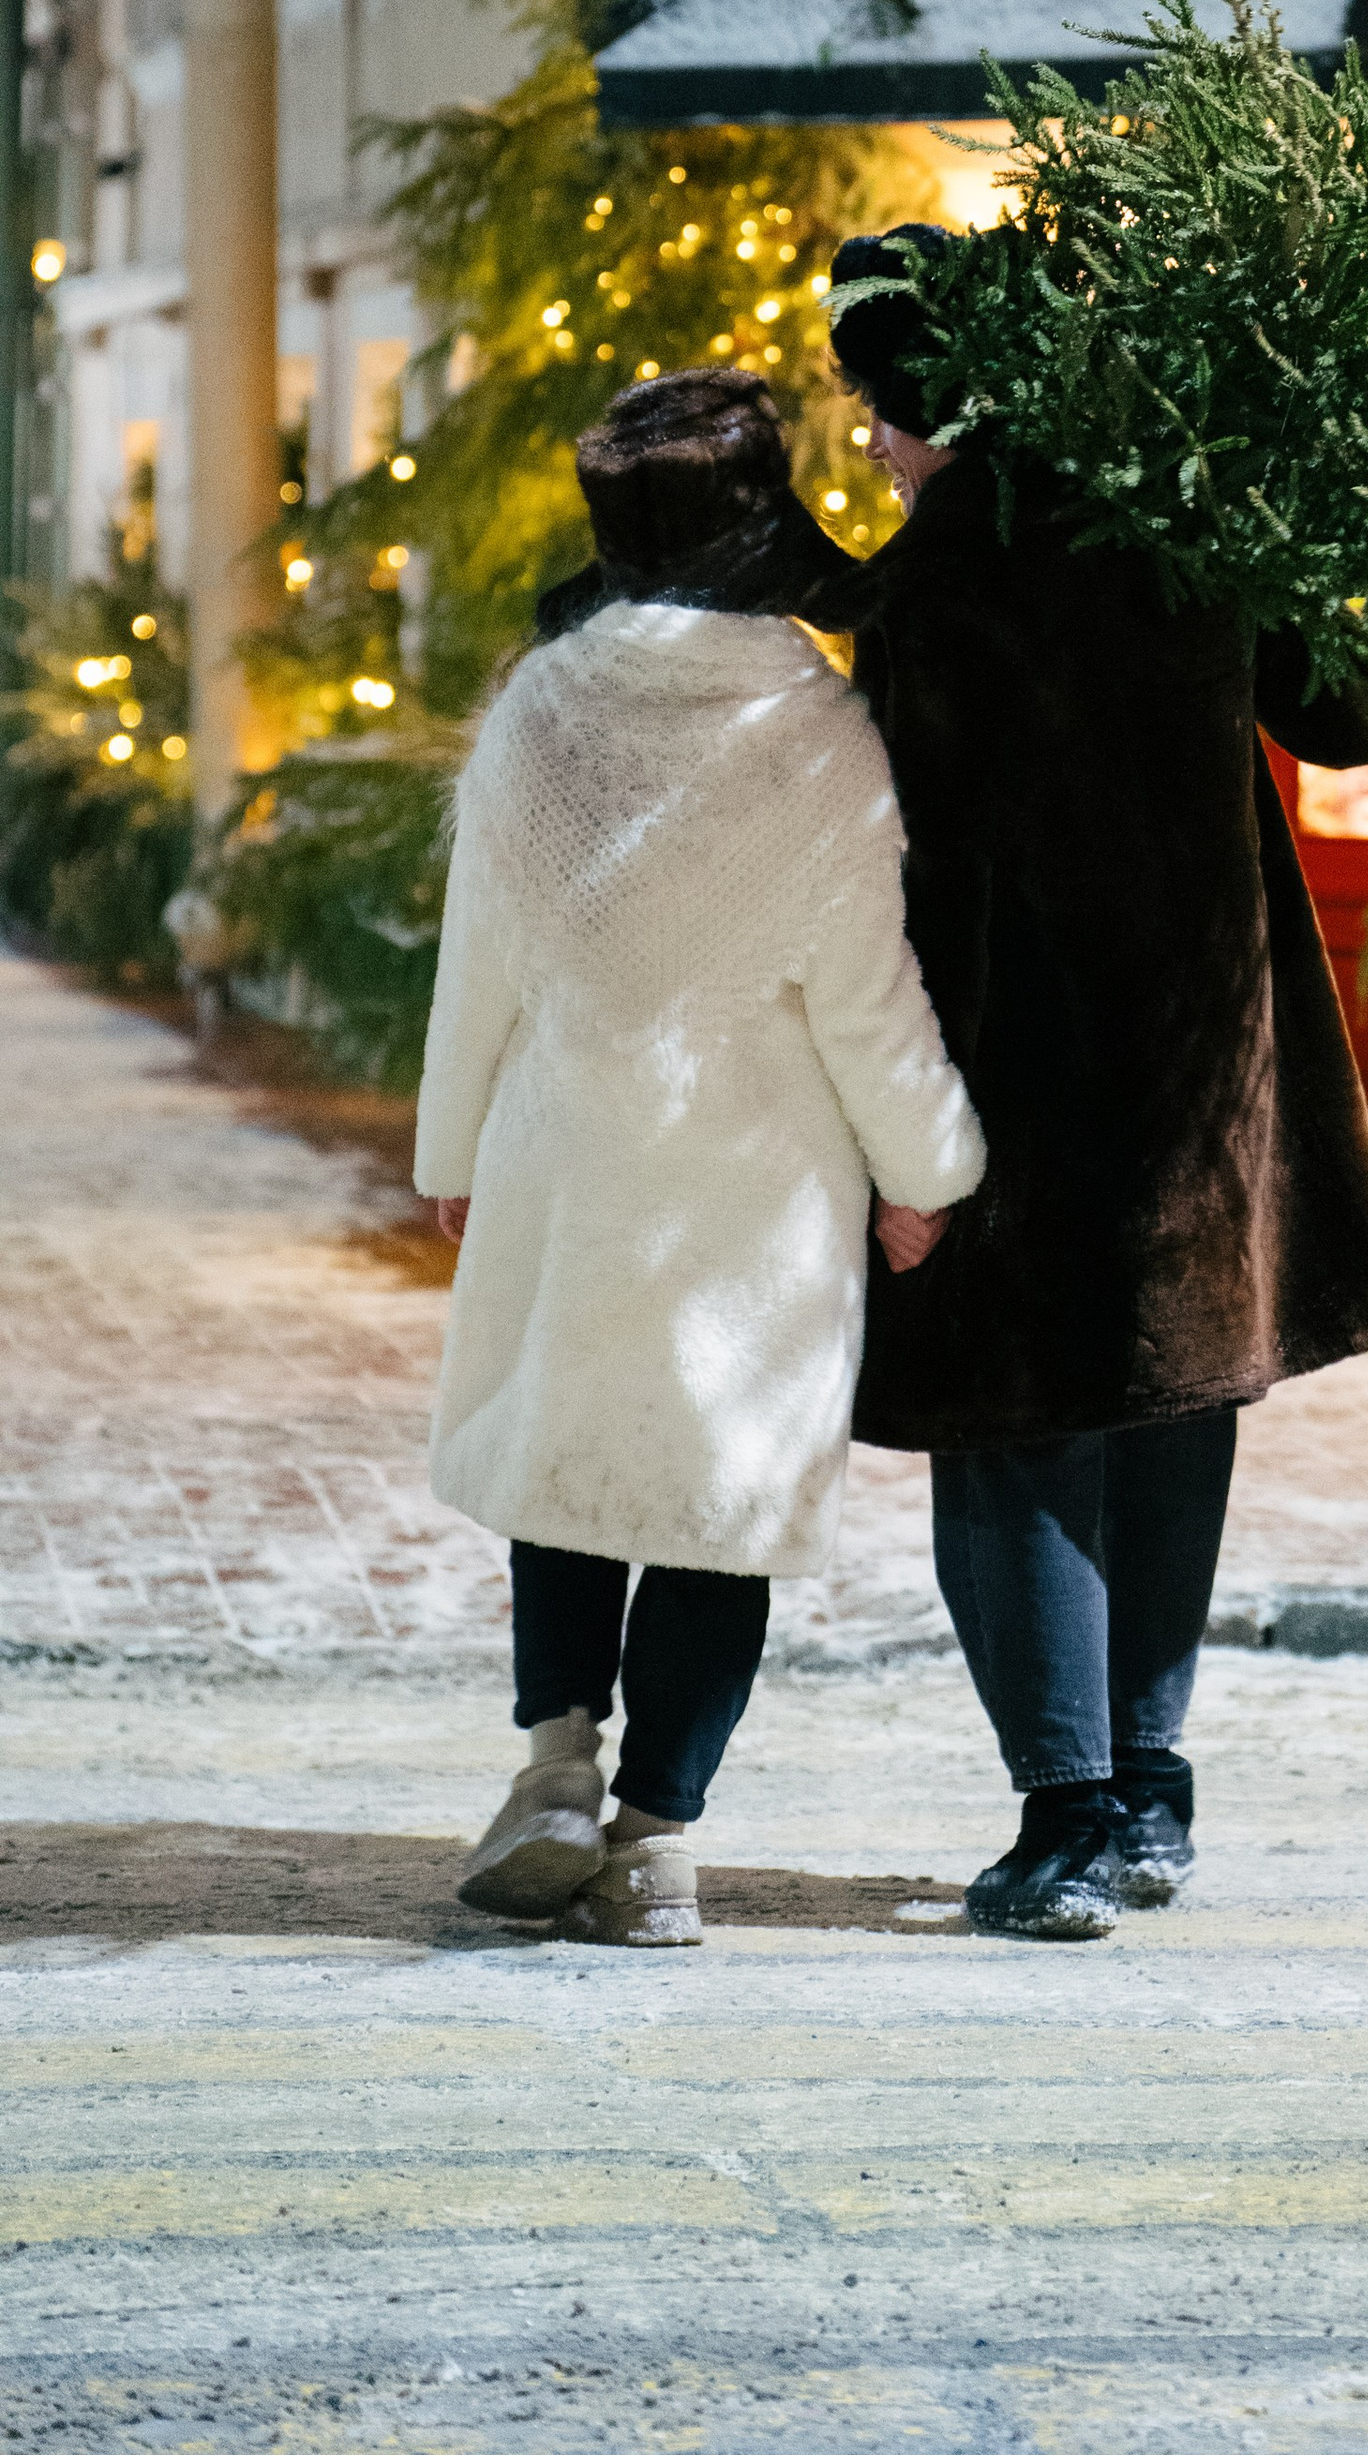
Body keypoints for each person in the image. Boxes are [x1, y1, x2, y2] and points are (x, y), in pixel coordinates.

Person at [825, 225, 1368, 1940]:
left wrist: (907, 1141)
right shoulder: (1190, 502)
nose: (870, 438)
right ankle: (1151, 1788)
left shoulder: (948, 573)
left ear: (939, 395)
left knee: (1014, 1441)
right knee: (1175, 1410)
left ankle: (1068, 1814)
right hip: (1213, 1066)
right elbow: (1354, 718)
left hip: (1030, 1069)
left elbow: (922, 868)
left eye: (877, 403)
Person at [414, 368, 984, 1947]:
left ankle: (549, 1767)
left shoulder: (543, 704)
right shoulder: (817, 730)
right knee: (717, 1505)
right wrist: (926, 1170)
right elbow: (871, 997)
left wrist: (449, 1144)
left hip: (568, 1146)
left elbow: (484, 954)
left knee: (571, 1457)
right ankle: (657, 1843)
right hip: (758, 1184)